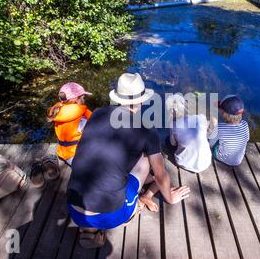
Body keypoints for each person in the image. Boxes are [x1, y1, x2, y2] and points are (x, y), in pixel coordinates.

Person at [67, 73, 190, 248]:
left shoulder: (98, 114)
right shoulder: (146, 128)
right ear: (141, 100)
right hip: (111, 214)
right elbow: (161, 174)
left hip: (73, 208)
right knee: (148, 161)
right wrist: (169, 197)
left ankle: (88, 229)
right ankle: (130, 210)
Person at [47, 82, 93, 166]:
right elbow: (97, 123)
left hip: (63, 152)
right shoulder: (82, 111)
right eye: (83, 96)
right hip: (77, 155)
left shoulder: (57, 110)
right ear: (76, 99)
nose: (84, 98)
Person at [165, 94, 212, 173]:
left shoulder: (174, 125)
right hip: (206, 162)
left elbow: (173, 144)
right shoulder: (200, 118)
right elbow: (209, 126)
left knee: (168, 140)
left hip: (185, 164)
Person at [208, 95, 249, 166]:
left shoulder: (220, 127)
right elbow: (247, 139)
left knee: (212, 129)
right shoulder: (245, 124)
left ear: (224, 114)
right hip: (238, 160)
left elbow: (211, 144)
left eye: (220, 109)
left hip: (222, 158)